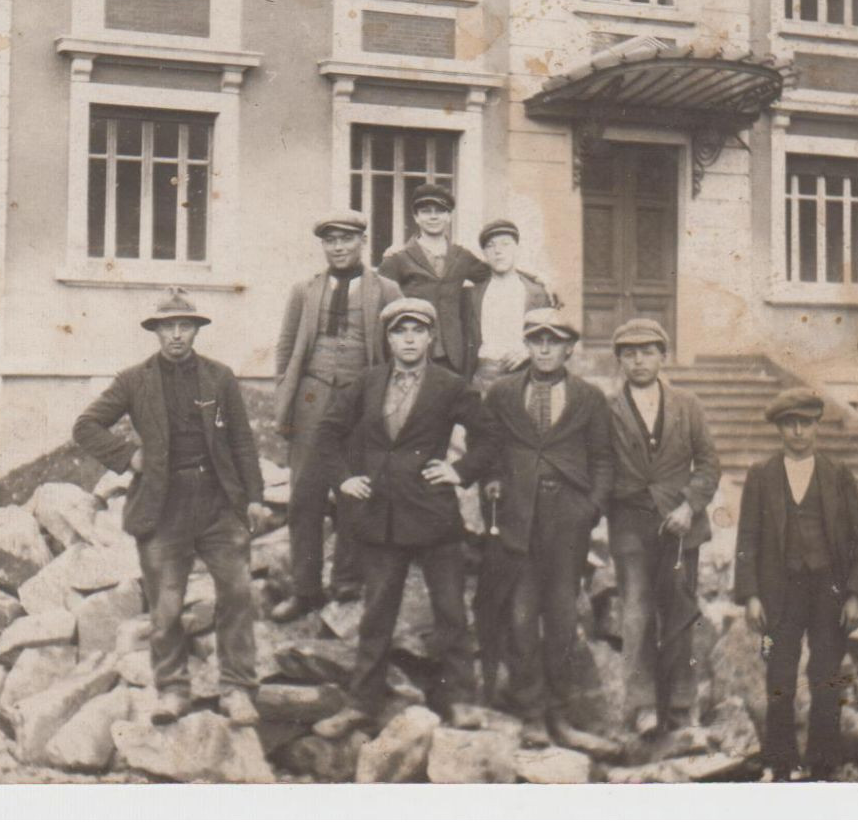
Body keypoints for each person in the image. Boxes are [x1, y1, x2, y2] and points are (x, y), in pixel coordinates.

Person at [70, 289, 265, 727]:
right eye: (168, 326)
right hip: (163, 506)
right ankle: (173, 690)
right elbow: (86, 426)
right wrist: (127, 457)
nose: (177, 334)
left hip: (218, 503)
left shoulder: (220, 378)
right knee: (166, 608)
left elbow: (242, 443)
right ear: (156, 331)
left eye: (185, 326)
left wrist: (253, 498)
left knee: (236, 593)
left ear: (196, 330)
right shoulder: (133, 381)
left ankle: (237, 689)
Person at [307, 298, 500, 736]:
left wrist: (459, 470)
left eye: (417, 331)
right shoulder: (367, 383)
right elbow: (327, 434)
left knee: (450, 612)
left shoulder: (451, 386)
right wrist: (344, 481)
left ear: (431, 337)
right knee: (376, 616)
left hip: (433, 514)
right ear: (388, 338)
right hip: (380, 516)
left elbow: (489, 438)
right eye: (400, 331)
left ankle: (463, 702)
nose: (409, 339)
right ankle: (361, 705)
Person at [476, 308, 618, 752]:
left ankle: (559, 712)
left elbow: (603, 459)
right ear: (527, 345)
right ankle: (531, 713)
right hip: (517, 519)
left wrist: (590, 508)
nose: (543, 348)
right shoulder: (501, 393)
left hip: (566, 521)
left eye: (553, 341)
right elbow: (489, 450)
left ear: (568, 348)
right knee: (519, 618)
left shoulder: (589, 398)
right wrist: (493, 483)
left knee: (561, 620)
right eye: (536, 340)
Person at [270, 209, 403, 622]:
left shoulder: (386, 290)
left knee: (354, 492)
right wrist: (285, 399)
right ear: (323, 246)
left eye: (347, 239)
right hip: (312, 399)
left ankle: (346, 581)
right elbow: (286, 346)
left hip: (362, 402)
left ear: (363, 242)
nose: (339, 247)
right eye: (331, 241)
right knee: (305, 496)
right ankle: (305, 589)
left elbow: (399, 349)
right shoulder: (304, 290)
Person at [734, 388, 858, 782]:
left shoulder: (837, 474)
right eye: (790, 424)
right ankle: (780, 762)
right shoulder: (761, 475)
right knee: (779, 676)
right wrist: (751, 596)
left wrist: (856, 595)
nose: (798, 432)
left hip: (829, 590)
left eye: (805, 423)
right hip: (780, 592)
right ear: (780, 429)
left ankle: (824, 764)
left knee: (827, 676)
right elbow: (746, 539)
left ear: (816, 426)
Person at [605, 317, 720, 736]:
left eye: (648, 352)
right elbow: (601, 464)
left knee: (680, 612)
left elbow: (708, 463)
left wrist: (690, 506)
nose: (639, 361)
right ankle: (642, 707)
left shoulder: (687, 405)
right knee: (636, 612)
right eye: (630, 354)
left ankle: (680, 704)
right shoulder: (608, 408)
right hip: (630, 524)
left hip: (679, 524)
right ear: (619, 360)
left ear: (662, 357)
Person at [377, 183, 491, 379]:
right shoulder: (398, 257)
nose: (433, 216)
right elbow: (381, 302)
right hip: (413, 349)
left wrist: (535, 276)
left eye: (440, 211)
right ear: (416, 217)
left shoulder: (461, 256)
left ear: (448, 216)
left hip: (454, 353)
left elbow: (495, 273)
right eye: (426, 211)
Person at [470, 219, 557, 389]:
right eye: (490, 246)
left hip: (525, 375)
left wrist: (528, 350)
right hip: (484, 376)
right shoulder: (473, 293)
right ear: (484, 254)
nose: (498, 251)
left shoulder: (537, 292)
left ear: (517, 248)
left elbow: (550, 337)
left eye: (505, 244)